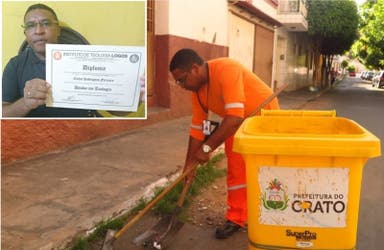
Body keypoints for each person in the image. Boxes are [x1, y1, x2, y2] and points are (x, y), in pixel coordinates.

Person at [168, 48, 280, 239]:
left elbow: (234, 117)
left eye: (181, 80)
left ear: (194, 69)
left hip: (263, 117)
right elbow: (197, 129)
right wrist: (189, 165)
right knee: (236, 169)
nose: (181, 85)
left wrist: (207, 148)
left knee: (263, 170)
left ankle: (271, 213)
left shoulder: (227, 68)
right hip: (235, 121)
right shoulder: (197, 90)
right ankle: (236, 218)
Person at [2, 3, 144, 117]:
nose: (38, 31)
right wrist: (26, 103)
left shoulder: (88, 60)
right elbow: (3, 113)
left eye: (45, 23)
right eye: (31, 25)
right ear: (25, 33)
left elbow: (119, 112)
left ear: (58, 29)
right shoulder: (15, 65)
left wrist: (133, 98)